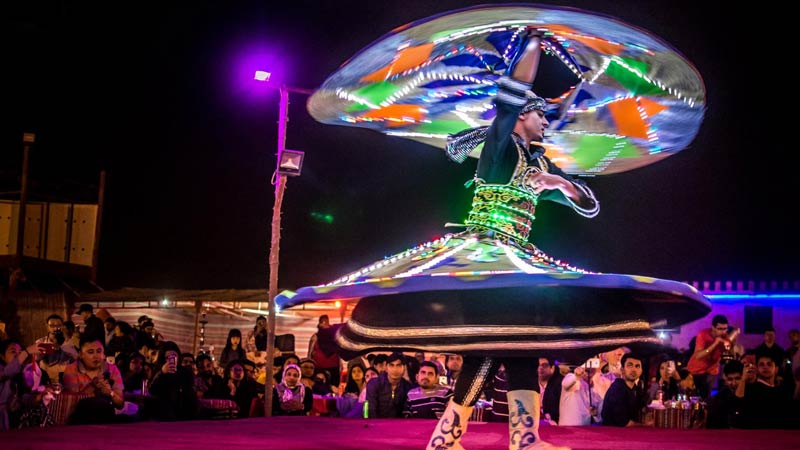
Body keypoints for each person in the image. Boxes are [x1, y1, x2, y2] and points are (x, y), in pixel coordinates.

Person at [686, 314, 738, 399]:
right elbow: (698, 356)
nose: (723, 331)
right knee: (692, 397)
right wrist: (715, 343)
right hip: (695, 370)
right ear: (713, 327)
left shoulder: (725, 336)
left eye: (725, 328)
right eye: (720, 329)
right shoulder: (703, 334)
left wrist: (733, 343)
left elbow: (731, 353)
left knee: (706, 398)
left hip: (711, 371)